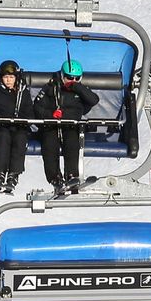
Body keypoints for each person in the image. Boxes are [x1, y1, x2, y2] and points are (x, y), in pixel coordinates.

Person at [33, 59, 99, 198]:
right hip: (51, 125)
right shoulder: (51, 88)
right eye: (69, 77)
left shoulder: (80, 90)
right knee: (50, 145)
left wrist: (77, 87)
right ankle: (55, 178)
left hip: (70, 124)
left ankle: (71, 175)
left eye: (76, 78)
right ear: (62, 75)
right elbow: (37, 107)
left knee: (72, 143)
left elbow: (94, 100)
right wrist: (51, 115)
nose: (72, 80)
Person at [0, 59, 31, 194]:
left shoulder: (23, 94)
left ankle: (13, 174)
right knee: (3, 137)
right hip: (1, 127)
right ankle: (0, 172)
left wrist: (22, 121)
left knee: (20, 138)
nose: (9, 80)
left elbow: (30, 113)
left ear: (16, 78)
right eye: (5, 77)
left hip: (18, 127)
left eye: (11, 77)